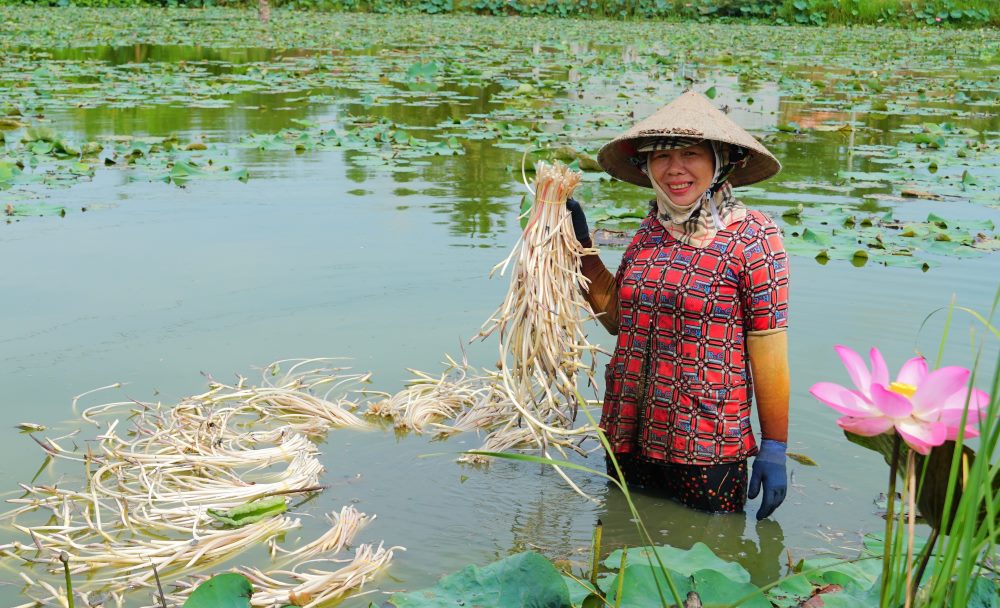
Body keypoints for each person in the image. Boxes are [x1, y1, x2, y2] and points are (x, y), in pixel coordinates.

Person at [568, 90, 790, 519]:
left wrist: (775, 446)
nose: (674, 169)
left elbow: (769, 347)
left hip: (706, 446)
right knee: (621, 561)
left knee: (710, 570)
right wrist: (581, 249)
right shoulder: (649, 230)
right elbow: (618, 319)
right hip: (629, 434)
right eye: (660, 156)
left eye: (690, 153)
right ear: (646, 166)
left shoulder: (753, 237)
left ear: (721, 160)